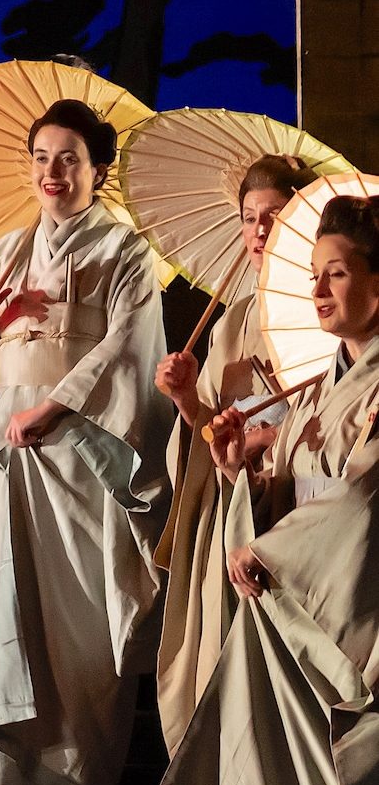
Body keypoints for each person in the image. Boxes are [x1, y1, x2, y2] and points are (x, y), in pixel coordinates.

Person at [141, 194, 379, 785]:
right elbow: (285, 482)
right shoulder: (324, 384)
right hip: (309, 607)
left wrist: (274, 551)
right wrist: (240, 462)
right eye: (313, 276)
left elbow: (362, 499)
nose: (319, 291)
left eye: (337, 274)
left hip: (358, 609)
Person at [0, 99, 169, 785]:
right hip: (8, 450)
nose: (52, 172)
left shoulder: (125, 250)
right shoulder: (8, 249)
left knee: (79, 622)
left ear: (99, 170)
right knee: (14, 615)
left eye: (69, 158)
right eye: (40, 158)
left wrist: (57, 407)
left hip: (79, 451)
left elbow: (130, 349)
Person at [153, 154, 317, 753]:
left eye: (275, 216)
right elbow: (207, 432)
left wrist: (270, 437)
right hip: (236, 498)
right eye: (249, 218)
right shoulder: (234, 319)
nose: (259, 231)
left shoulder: (321, 311)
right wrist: (186, 399)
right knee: (226, 657)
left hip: (298, 502)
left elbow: (334, 415)